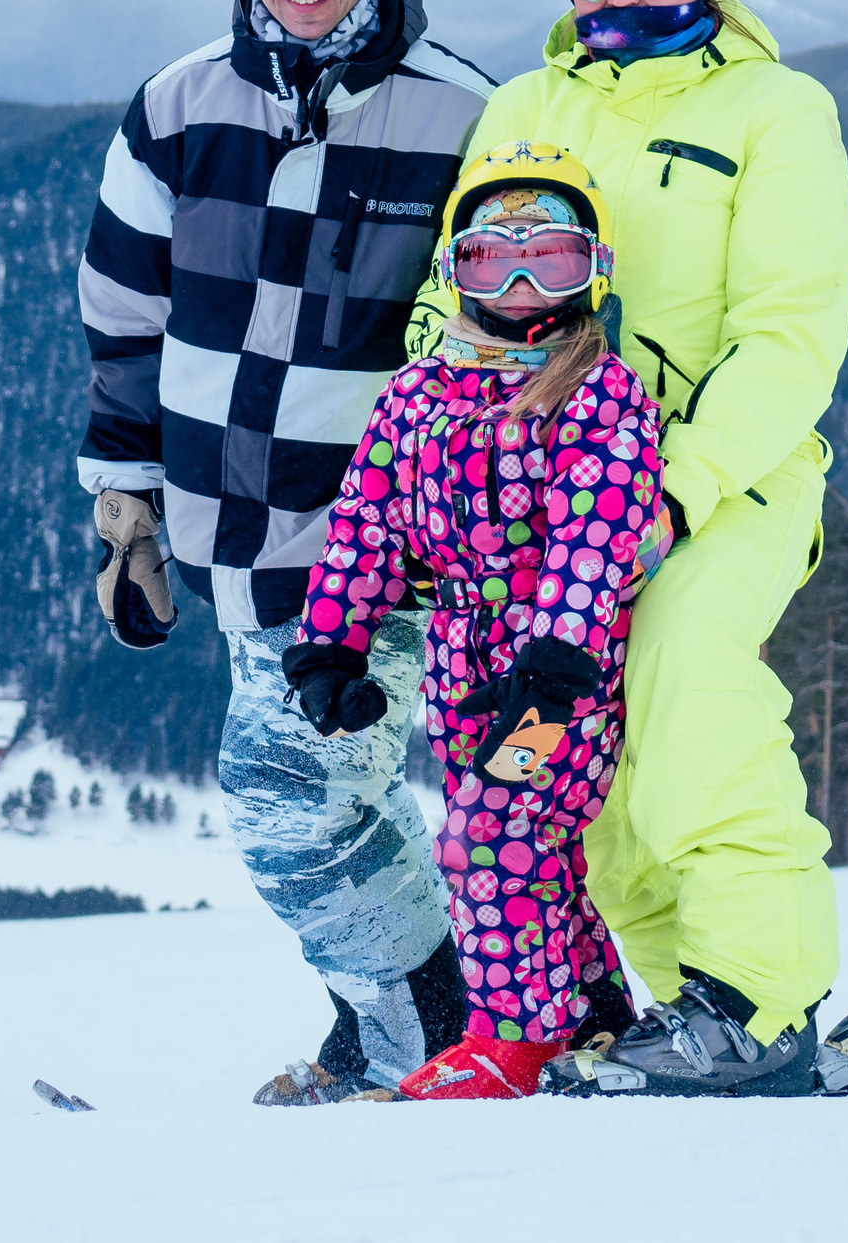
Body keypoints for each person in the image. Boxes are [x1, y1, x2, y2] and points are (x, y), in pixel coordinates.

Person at [406, 0, 848, 1097]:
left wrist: (677, 490)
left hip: (723, 481)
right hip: (534, 497)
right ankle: (685, 1005)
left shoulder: (777, 109)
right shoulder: (523, 104)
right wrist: (437, 463)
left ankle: (762, 1003)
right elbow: (457, 294)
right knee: (572, 757)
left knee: (676, 683)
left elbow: (789, 335)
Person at [75, 0, 494, 1102]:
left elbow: (506, 333)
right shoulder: (177, 104)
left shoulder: (464, 115)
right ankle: (424, 1029)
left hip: (381, 551)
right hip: (225, 534)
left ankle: (417, 1042)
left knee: (281, 805)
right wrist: (126, 500)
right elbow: (120, 314)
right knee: (344, 809)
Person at [281, 142, 669, 1099]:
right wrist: (331, 642)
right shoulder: (419, 393)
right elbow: (367, 522)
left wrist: (556, 658)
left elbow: (600, 526)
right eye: (495, 258)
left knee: (487, 839)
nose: (527, 285)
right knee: (525, 846)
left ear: (595, 269)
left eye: (555, 258)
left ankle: (513, 1042)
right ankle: (594, 1014)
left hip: (554, 673)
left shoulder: (599, 392)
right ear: (455, 271)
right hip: (461, 664)